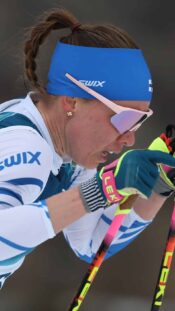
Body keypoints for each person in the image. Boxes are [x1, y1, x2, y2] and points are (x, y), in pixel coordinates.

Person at [0, 8, 175, 290]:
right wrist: (101, 190)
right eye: (124, 118)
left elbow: (90, 244)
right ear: (72, 102)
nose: (129, 139)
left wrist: (156, 188)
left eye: (140, 120)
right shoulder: (27, 149)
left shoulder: (68, 156)